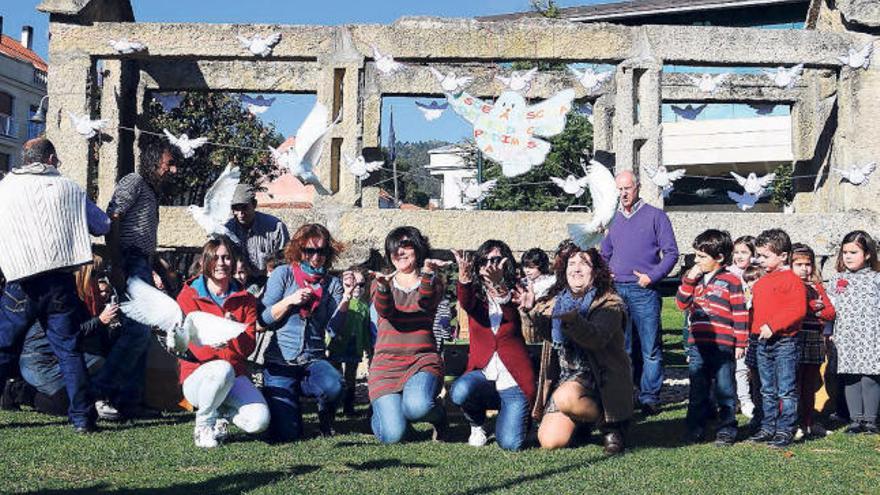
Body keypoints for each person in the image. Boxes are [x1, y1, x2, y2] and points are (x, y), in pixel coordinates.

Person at [0, 137, 110, 433]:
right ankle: (83, 420)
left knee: (3, 348)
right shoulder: (70, 188)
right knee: (69, 350)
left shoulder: (4, 188)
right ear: (49, 159)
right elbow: (102, 225)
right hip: (59, 281)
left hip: (20, 279)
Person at [522, 242, 633, 454]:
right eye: (571, 263)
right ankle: (583, 421)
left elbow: (596, 339)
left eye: (584, 263)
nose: (576, 269)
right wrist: (529, 312)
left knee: (566, 397)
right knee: (549, 441)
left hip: (600, 378)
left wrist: (574, 320)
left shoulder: (610, 303)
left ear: (596, 270)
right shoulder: (557, 299)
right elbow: (537, 336)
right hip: (566, 376)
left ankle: (612, 425)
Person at [176, 236, 270, 448]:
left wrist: (233, 332)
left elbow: (248, 347)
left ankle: (221, 415)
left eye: (227, 258)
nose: (221, 263)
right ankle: (203, 425)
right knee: (221, 369)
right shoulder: (188, 296)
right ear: (204, 262)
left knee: (259, 421)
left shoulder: (246, 299)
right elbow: (190, 347)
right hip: (197, 377)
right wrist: (213, 342)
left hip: (234, 374)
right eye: (215, 258)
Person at [259, 223, 349, 441]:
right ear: (299, 250)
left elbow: (334, 330)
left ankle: (325, 419)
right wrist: (290, 300)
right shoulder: (283, 274)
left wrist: (346, 299)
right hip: (281, 362)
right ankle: (274, 399)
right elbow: (262, 320)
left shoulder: (332, 284)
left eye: (322, 251)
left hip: (313, 360)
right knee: (289, 434)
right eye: (310, 251)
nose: (316, 257)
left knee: (335, 385)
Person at [600, 170, 679, 415]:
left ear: (638, 187)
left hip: (644, 290)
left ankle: (649, 397)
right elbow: (604, 254)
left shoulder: (656, 217)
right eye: (619, 189)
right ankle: (626, 394)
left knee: (650, 347)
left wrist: (652, 276)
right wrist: (605, 273)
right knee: (623, 348)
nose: (623, 193)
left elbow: (672, 253)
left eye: (627, 188)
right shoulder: (612, 218)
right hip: (618, 290)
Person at [450, 241, 535, 451]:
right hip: (484, 374)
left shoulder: (520, 290)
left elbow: (509, 314)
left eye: (496, 260)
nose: (490, 265)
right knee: (460, 390)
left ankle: (517, 419)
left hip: (513, 378)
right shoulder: (476, 293)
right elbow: (467, 302)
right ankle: (477, 425)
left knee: (510, 443)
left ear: (506, 263)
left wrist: (499, 286)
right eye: (484, 261)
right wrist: (464, 279)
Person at [368, 227, 448, 444]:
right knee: (393, 436)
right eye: (395, 248)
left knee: (417, 407)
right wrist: (384, 288)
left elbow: (425, 302)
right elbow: (386, 311)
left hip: (421, 360)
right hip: (386, 366)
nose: (400, 252)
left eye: (406, 246)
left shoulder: (433, 280)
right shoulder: (380, 282)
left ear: (418, 249)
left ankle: (439, 416)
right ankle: (384, 415)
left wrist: (428, 274)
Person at [675, 230, 748, 446]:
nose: (697, 261)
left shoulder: (731, 280)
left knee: (725, 388)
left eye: (702, 256)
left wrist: (741, 342)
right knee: (698, 389)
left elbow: (740, 312)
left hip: (723, 345)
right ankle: (695, 428)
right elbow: (681, 304)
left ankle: (727, 429)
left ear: (719, 258)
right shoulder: (694, 280)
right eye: (696, 255)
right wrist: (689, 279)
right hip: (698, 344)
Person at [748, 229, 807, 448]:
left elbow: (797, 310)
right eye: (759, 255)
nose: (760, 260)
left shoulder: (792, 280)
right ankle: (768, 425)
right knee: (766, 388)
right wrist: (754, 332)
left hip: (784, 342)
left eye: (765, 256)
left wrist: (773, 326)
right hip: (763, 342)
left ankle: (786, 428)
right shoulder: (762, 282)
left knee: (786, 389)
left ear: (783, 256)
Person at [106, 138, 180, 289]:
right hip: (130, 260)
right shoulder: (135, 181)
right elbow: (113, 217)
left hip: (142, 262)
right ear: (154, 162)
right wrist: (117, 264)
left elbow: (145, 243)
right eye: (170, 164)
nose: (174, 170)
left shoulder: (151, 193)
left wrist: (163, 270)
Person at [828, 230, 880, 435]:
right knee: (850, 376)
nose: (848, 256)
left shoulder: (876, 280)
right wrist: (828, 331)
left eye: (854, 252)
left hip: (871, 335)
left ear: (867, 254)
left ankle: (871, 420)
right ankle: (855, 419)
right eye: (845, 252)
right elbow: (830, 308)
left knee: (870, 376)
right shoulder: (837, 280)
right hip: (846, 336)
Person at [790, 243, 835, 439]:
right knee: (794, 382)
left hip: (815, 338)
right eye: (798, 264)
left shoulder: (816, 286)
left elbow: (830, 312)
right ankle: (793, 422)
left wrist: (816, 308)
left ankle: (808, 422)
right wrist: (812, 307)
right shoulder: (790, 284)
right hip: (796, 337)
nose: (804, 268)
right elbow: (797, 309)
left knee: (810, 382)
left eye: (807, 264)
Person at [327, 268, 372, 416]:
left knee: (351, 377)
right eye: (353, 283)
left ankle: (348, 407)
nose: (357, 288)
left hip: (355, 345)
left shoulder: (364, 306)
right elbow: (331, 324)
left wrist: (368, 348)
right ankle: (332, 407)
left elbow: (366, 329)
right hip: (338, 344)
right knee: (335, 375)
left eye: (361, 284)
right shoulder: (339, 302)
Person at [225, 184, 290, 277]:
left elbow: (285, 259)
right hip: (238, 282)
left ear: (254, 204)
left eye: (244, 207)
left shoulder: (275, 228)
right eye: (236, 209)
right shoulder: (227, 230)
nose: (240, 214)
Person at [729, 235, 757, 419]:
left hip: (754, 327)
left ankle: (753, 398)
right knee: (738, 367)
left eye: (744, 252)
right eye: (736, 252)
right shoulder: (729, 275)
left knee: (752, 368)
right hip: (735, 328)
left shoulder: (757, 274)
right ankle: (743, 400)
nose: (739, 256)